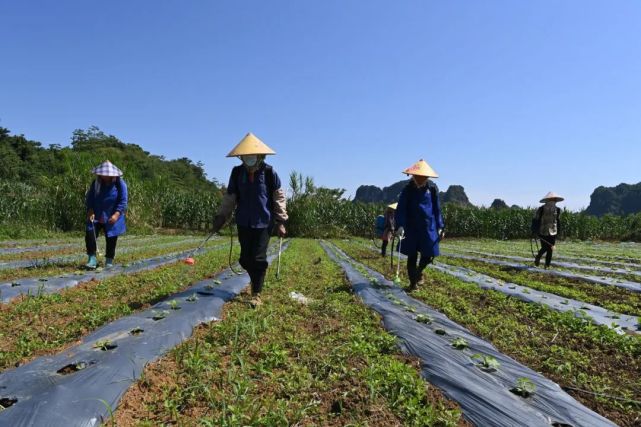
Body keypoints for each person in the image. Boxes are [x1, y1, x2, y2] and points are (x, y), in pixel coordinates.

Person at [211, 133, 288, 307]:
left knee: (258, 258)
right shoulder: (237, 173)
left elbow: (278, 197)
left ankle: (256, 294)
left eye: (253, 156)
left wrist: (281, 221)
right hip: (244, 221)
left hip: (264, 222)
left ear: (261, 156)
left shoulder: (269, 173)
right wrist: (221, 217)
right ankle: (255, 279)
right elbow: (230, 197)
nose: (250, 160)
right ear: (241, 158)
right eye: (246, 157)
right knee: (245, 259)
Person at [394, 159, 444, 290]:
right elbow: (401, 208)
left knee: (429, 253)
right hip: (411, 227)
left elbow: (437, 210)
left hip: (428, 227)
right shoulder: (407, 190)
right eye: (418, 176)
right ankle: (412, 283)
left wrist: (440, 226)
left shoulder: (432, 190)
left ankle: (418, 272)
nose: (420, 179)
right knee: (412, 255)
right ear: (413, 176)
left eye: (423, 177)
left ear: (427, 177)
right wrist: (400, 225)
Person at [85, 160, 128, 269]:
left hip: (112, 215)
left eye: (106, 175)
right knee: (90, 235)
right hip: (97, 214)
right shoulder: (96, 183)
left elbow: (123, 200)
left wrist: (116, 214)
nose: (103, 176)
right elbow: (90, 197)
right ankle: (92, 259)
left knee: (111, 238)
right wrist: (90, 209)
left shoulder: (120, 183)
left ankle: (109, 260)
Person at [531, 191, 563, 268]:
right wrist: (534, 230)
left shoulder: (558, 210)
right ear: (548, 200)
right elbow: (536, 219)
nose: (554, 200)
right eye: (553, 198)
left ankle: (547, 265)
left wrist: (559, 231)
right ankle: (539, 257)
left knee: (550, 248)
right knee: (546, 247)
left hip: (553, 231)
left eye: (554, 199)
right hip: (543, 231)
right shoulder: (541, 209)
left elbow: (557, 221)